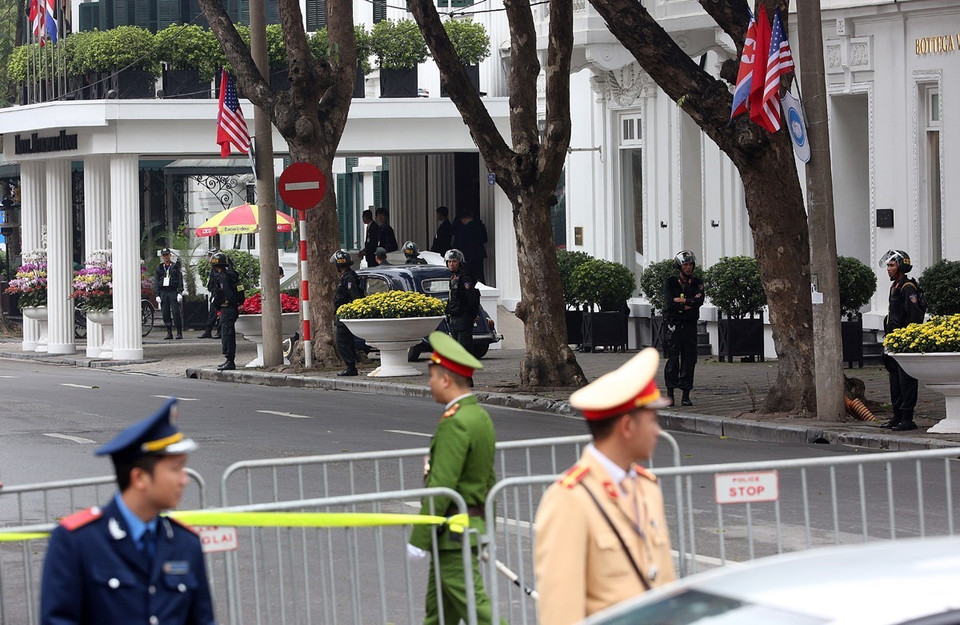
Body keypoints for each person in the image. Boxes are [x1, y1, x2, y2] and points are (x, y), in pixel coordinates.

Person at [40, 398, 216, 625]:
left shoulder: (186, 543)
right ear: (140, 478)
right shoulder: (76, 542)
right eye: (175, 469)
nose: (185, 479)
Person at [534, 348, 676, 625]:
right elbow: (560, 612)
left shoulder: (647, 487)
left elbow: (664, 584)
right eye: (652, 419)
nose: (658, 430)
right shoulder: (569, 499)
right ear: (626, 426)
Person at [407, 331, 504, 625]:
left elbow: (442, 485)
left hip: (452, 532)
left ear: (445, 380)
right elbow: (488, 477)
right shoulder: (479, 416)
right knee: (437, 613)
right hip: (466, 527)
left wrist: (419, 536)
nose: (430, 383)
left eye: (432, 377)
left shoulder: (456, 422)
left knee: (477, 610)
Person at [880, 249, 926, 431]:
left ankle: (907, 418)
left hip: (904, 341)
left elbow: (914, 315)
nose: (889, 269)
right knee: (894, 380)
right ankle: (896, 415)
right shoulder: (895, 287)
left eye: (892, 265)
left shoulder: (908, 288)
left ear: (901, 266)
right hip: (893, 339)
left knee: (906, 380)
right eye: (888, 265)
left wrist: (907, 338)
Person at [662, 249, 705, 406]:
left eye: (690, 265)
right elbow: (669, 304)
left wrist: (682, 302)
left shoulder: (697, 283)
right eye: (685, 265)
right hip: (673, 326)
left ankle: (686, 394)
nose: (688, 268)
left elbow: (698, 302)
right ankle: (670, 393)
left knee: (689, 360)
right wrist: (686, 304)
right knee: (672, 360)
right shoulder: (670, 283)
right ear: (679, 266)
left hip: (689, 326)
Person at [209, 251, 243, 371]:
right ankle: (229, 359)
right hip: (230, 308)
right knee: (228, 333)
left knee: (227, 335)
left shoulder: (223, 278)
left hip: (227, 308)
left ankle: (230, 360)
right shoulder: (232, 275)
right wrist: (240, 303)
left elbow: (227, 294)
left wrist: (216, 303)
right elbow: (240, 290)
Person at [332, 249, 363, 376]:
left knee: (342, 341)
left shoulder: (349, 277)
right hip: (342, 312)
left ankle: (351, 367)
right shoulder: (347, 276)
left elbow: (354, 295)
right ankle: (351, 366)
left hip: (345, 313)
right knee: (345, 341)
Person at [444, 249, 480, 355]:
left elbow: (472, 297)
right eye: (449, 261)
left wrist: (473, 314)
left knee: (464, 346)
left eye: (454, 261)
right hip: (454, 316)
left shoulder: (465, 278)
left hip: (463, 317)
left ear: (460, 263)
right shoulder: (453, 277)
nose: (451, 264)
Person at [153, 248, 184, 340]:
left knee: (175, 312)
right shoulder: (159, 268)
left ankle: (179, 332)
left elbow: (179, 279)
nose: (166, 257)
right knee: (165, 312)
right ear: (162, 257)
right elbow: (156, 281)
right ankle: (169, 332)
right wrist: (157, 294)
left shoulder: (175, 267)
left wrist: (179, 292)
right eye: (164, 255)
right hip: (163, 292)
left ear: (170, 255)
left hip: (172, 291)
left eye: (167, 255)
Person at [451, 209, 488, 285]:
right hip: (478, 254)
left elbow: (459, 242)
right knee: (479, 274)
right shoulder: (480, 225)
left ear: (464, 219)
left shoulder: (464, 229)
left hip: (467, 255)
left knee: (467, 274)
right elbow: (485, 239)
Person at [199, 249, 224, 340]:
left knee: (220, 313)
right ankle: (208, 331)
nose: (209, 259)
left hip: (219, 293)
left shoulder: (220, 267)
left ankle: (219, 331)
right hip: (214, 292)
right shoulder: (213, 267)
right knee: (212, 313)